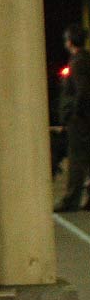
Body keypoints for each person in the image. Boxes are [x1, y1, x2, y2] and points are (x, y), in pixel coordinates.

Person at [56, 23, 90, 211]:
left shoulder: (77, 62)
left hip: (80, 120)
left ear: (69, 42)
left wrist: (75, 113)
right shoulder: (86, 59)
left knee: (77, 159)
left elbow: (82, 91)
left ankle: (71, 199)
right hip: (86, 118)